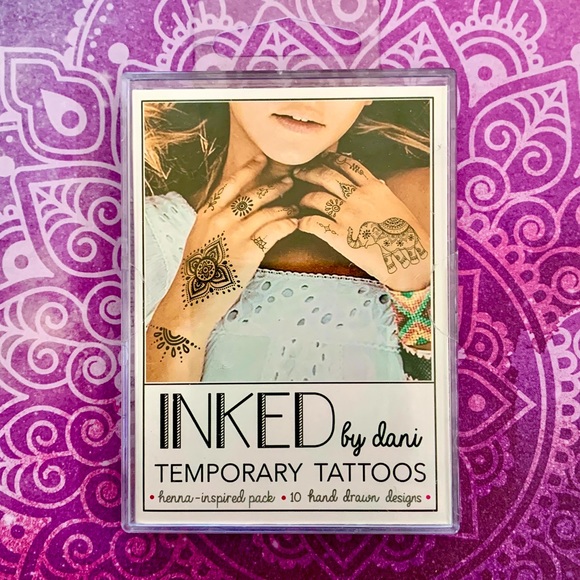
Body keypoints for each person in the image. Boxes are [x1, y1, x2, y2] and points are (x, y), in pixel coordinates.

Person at [143, 98, 432, 383]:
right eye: (272, 70)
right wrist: (184, 313)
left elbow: (448, 406)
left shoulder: (434, 203)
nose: (306, 96)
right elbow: (153, 415)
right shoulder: (142, 234)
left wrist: (417, 283)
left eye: (333, 73)